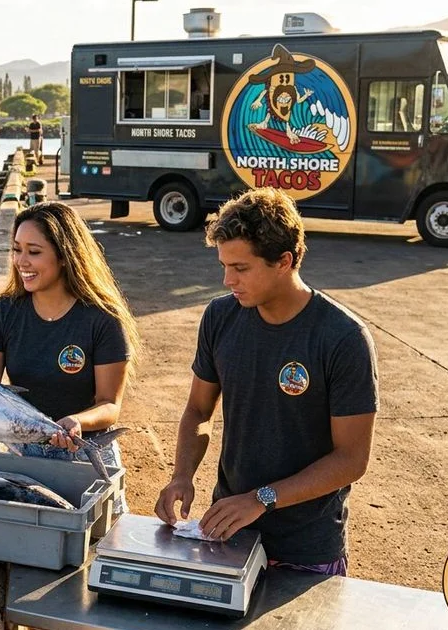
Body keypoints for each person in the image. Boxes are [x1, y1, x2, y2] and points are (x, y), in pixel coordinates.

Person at [154, 188, 378, 576]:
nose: (227, 280)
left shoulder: (342, 338)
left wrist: (262, 498)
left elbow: (351, 459)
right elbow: (198, 410)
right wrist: (182, 475)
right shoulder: (220, 318)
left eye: (241, 268)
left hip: (307, 549)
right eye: (224, 266)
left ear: (284, 261)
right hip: (228, 533)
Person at [0, 201, 139, 514]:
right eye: (16, 249)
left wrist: (77, 421)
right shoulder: (3, 311)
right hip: (23, 455)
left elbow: (109, 406)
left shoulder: (102, 319)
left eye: (34, 252)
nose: (22, 261)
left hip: (86, 455)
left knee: (99, 544)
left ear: (65, 255)